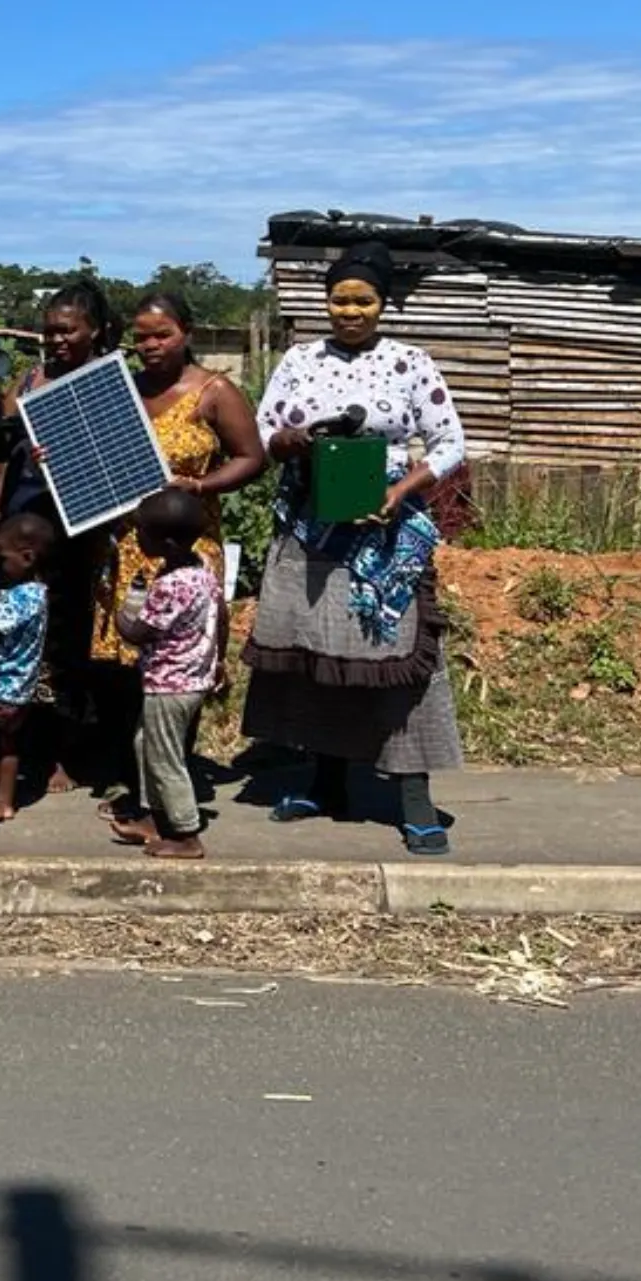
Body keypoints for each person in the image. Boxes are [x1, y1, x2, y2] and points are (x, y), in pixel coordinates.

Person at [241, 240, 467, 855]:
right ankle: (326, 780)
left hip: (386, 534)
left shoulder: (411, 363)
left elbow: (449, 444)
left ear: (382, 304)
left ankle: (415, 799)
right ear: (326, 304)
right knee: (315, 654)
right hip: (311, 527)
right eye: (339, 300)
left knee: (396, 659)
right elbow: (265, 434)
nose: (350, 311)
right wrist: (293, 441)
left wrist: (400, 491)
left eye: (363, 300)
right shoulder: (299, 360)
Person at [0, 280, 120, 790]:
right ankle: (18, 746)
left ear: (95, 332)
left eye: (68, 330)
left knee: (68, 638)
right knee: (19, 634)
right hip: (23, 519)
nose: (57, 340)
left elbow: (114, 465)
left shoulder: (105, 384)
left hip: (78, 528)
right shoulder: (28, 380)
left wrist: (69, 456)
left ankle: (64, 752)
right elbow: (6, 452)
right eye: (49, 331)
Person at [90, 292, 264, 658]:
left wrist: (199, 485)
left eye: (162, 335)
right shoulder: (123, 389)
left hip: (185, 547)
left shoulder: (213, 391)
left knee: (179, 660)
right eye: (140, 338)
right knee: (123, 661)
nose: (150, 345)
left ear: (186, 334)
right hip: (126, 545)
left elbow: (252, 457)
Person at [107, 489, 225, 860]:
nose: (137, 538)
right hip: (192, 677)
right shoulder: (201, 566)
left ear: (167, 542)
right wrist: (218, 658)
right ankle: (155, 818)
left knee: (165, 758)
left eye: (143, 533)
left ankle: (186, 833)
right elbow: (221, 612)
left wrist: (115, 607)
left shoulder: (171, 586)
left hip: (169, 684)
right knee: (147, 745)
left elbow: (137, 633)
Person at [0, 510, 56, 824]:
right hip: (19, 690)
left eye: (0, 557)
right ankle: (7, 803)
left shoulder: (16, 598)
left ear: (27, 557)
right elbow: (5, 605)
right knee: (9, 745)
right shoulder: (38, 594)